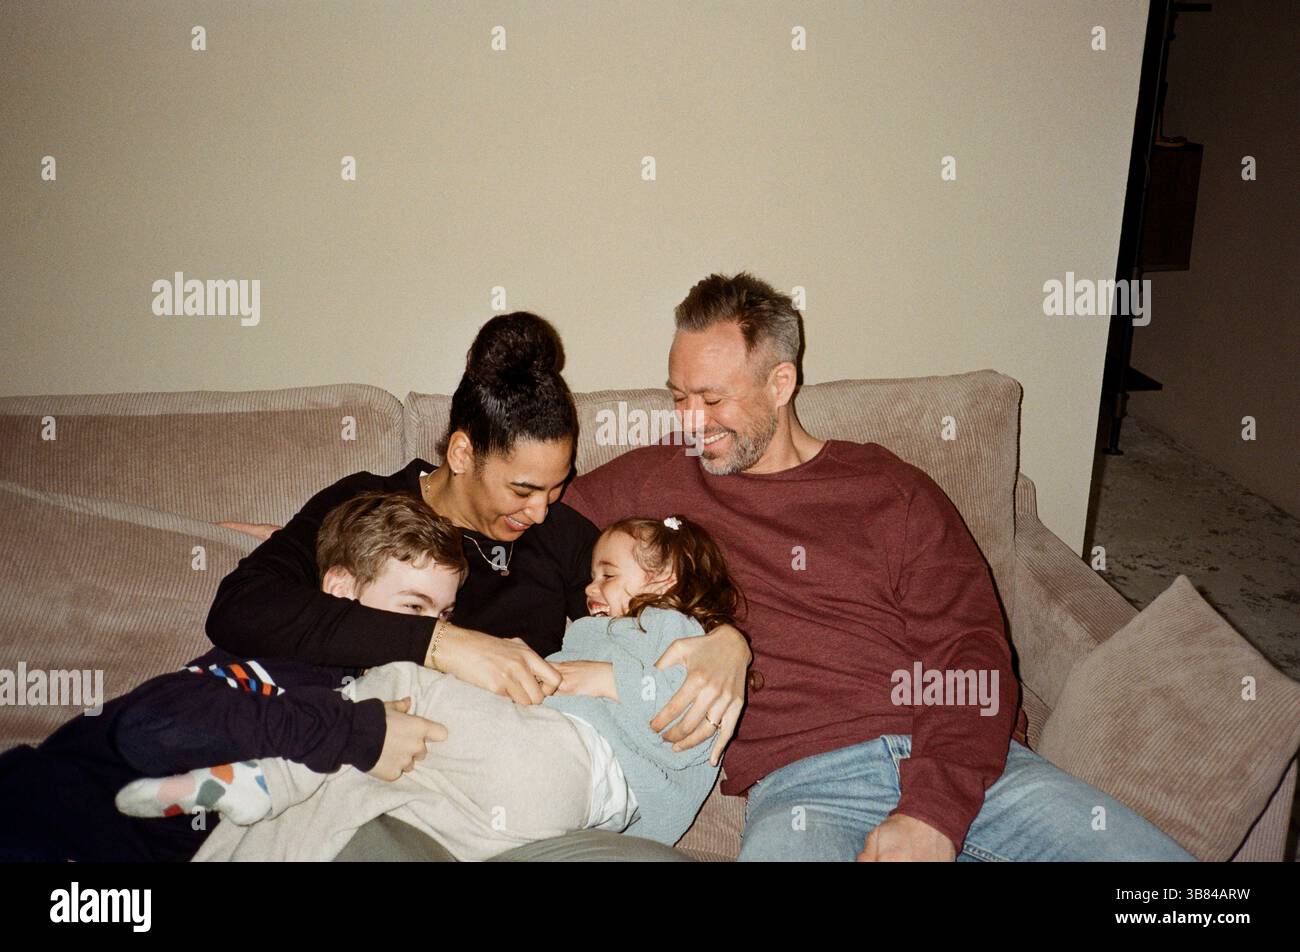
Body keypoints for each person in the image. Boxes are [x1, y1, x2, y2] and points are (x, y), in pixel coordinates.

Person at [560, 271, 1196, 862]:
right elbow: (525, 530)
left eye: (712, 398)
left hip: (966, 768)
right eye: (678, 398)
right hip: (804, 791)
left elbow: (969, 650)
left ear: (780, 384)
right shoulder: (659, 480)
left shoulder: (888, 489)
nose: (692, 423)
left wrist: (933, 814)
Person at [206, 311, 755, 861]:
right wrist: (442, 644)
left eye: (556, 487)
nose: (540, 511)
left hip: (520, 800)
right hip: (397, 787)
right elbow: (242, 610)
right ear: (463, 454)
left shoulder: (557, 535)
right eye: (522, 489)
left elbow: (642, 612)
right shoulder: (369, 506)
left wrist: (726, 643)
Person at [121, 515, 744, 861]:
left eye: (607, 573)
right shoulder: (590, 629)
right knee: (347, 787)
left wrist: (607, 677)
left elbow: (686, 714)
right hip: (521, 816)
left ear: (665, 579)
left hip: (567, 770)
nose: (589, 587)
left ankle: (271, 778)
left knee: (400, 681)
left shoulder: (671, 630)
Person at [0, 492, 460, 861]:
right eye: (414, 608)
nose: (432, 631)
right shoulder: (284, 657)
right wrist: (352, 731)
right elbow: (151, 729)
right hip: (43, 811)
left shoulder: (369, 687)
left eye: (444, 615)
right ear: (340, 589)